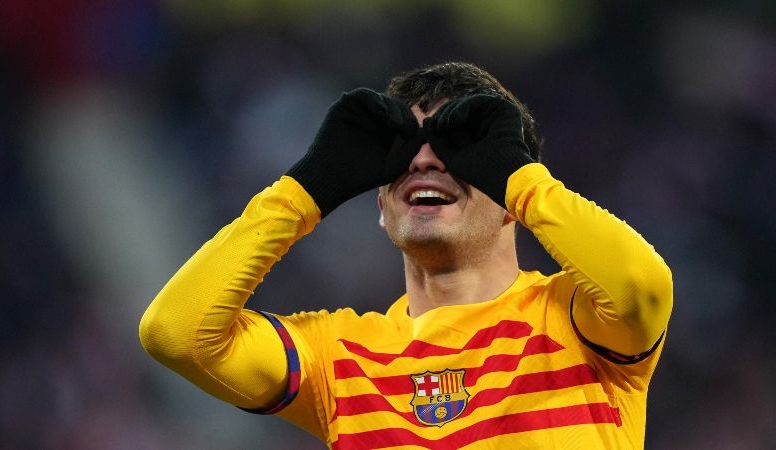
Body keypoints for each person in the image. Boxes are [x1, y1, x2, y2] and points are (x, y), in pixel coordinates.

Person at [139, 62, 673, 449]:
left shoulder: (578, 322)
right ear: (380, 199)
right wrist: (306, 189)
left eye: (459, 151)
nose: (422, 162)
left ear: (511, 199)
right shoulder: (339, 359)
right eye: (402, 153)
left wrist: (523, 182)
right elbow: (176, 334)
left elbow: (640, 285)